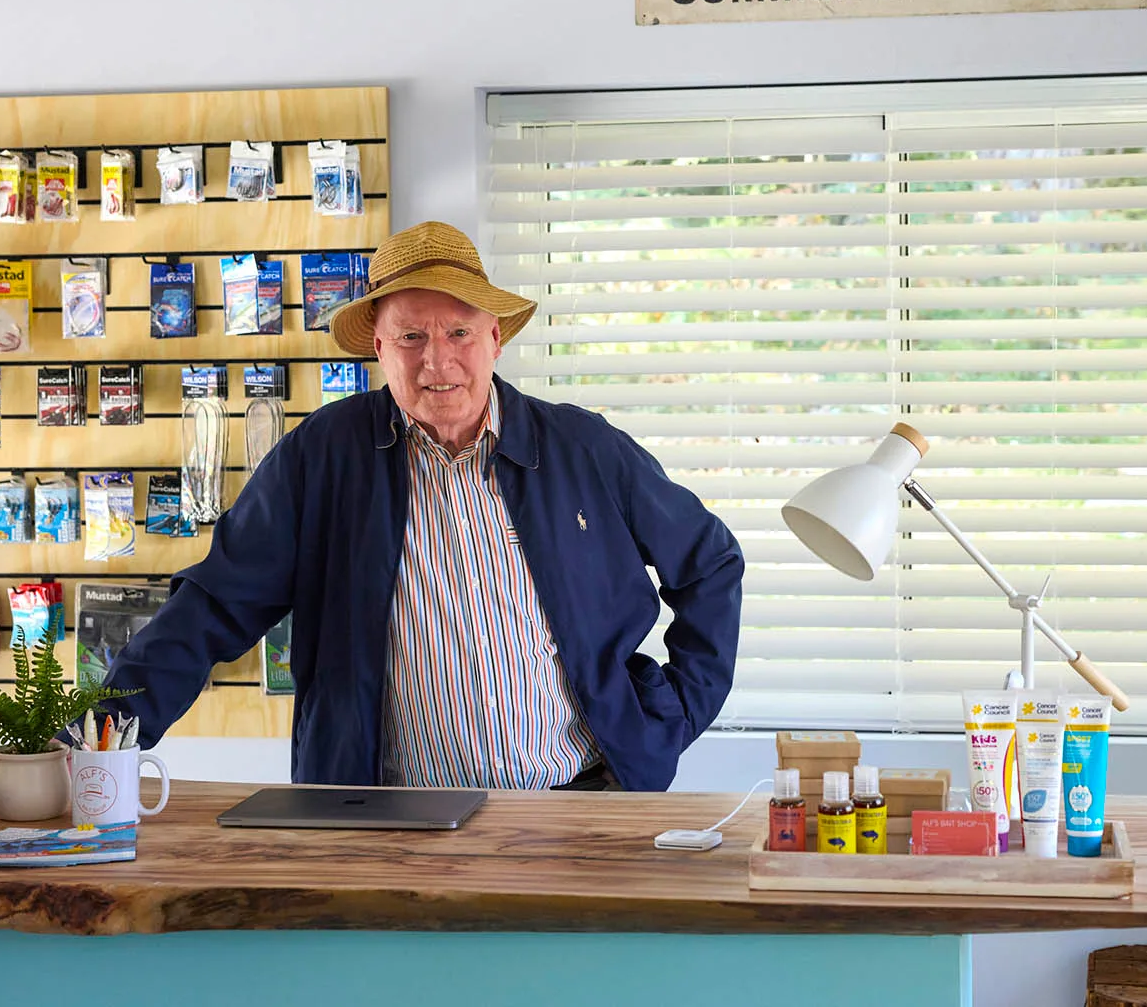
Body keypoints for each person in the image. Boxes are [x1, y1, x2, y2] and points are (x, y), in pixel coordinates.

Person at [101, 222, 744, 791]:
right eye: (410, 337)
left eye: (458, 331)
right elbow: (211, 607)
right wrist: (89, 742)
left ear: (494, 338)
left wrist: (671, 716)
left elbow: (710, 563)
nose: (437, 360)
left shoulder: (583, 447)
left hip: (575, 804)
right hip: (384, 820)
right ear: (378, 349)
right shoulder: (320, 457)